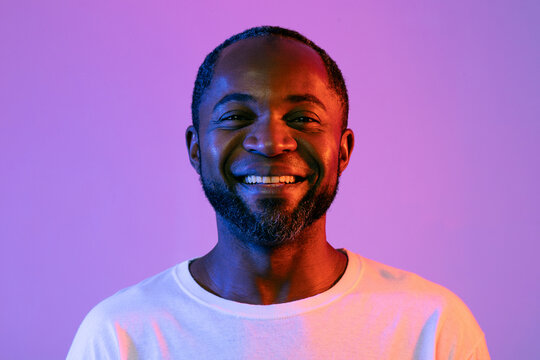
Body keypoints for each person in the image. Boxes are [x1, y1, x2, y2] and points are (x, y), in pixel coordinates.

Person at [68, 26, 490, 359]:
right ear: (196, 150)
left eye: (303, 118)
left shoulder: (431, 327)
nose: (270, 142)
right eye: (235, 116)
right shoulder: (121, 336)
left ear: (342, 151)